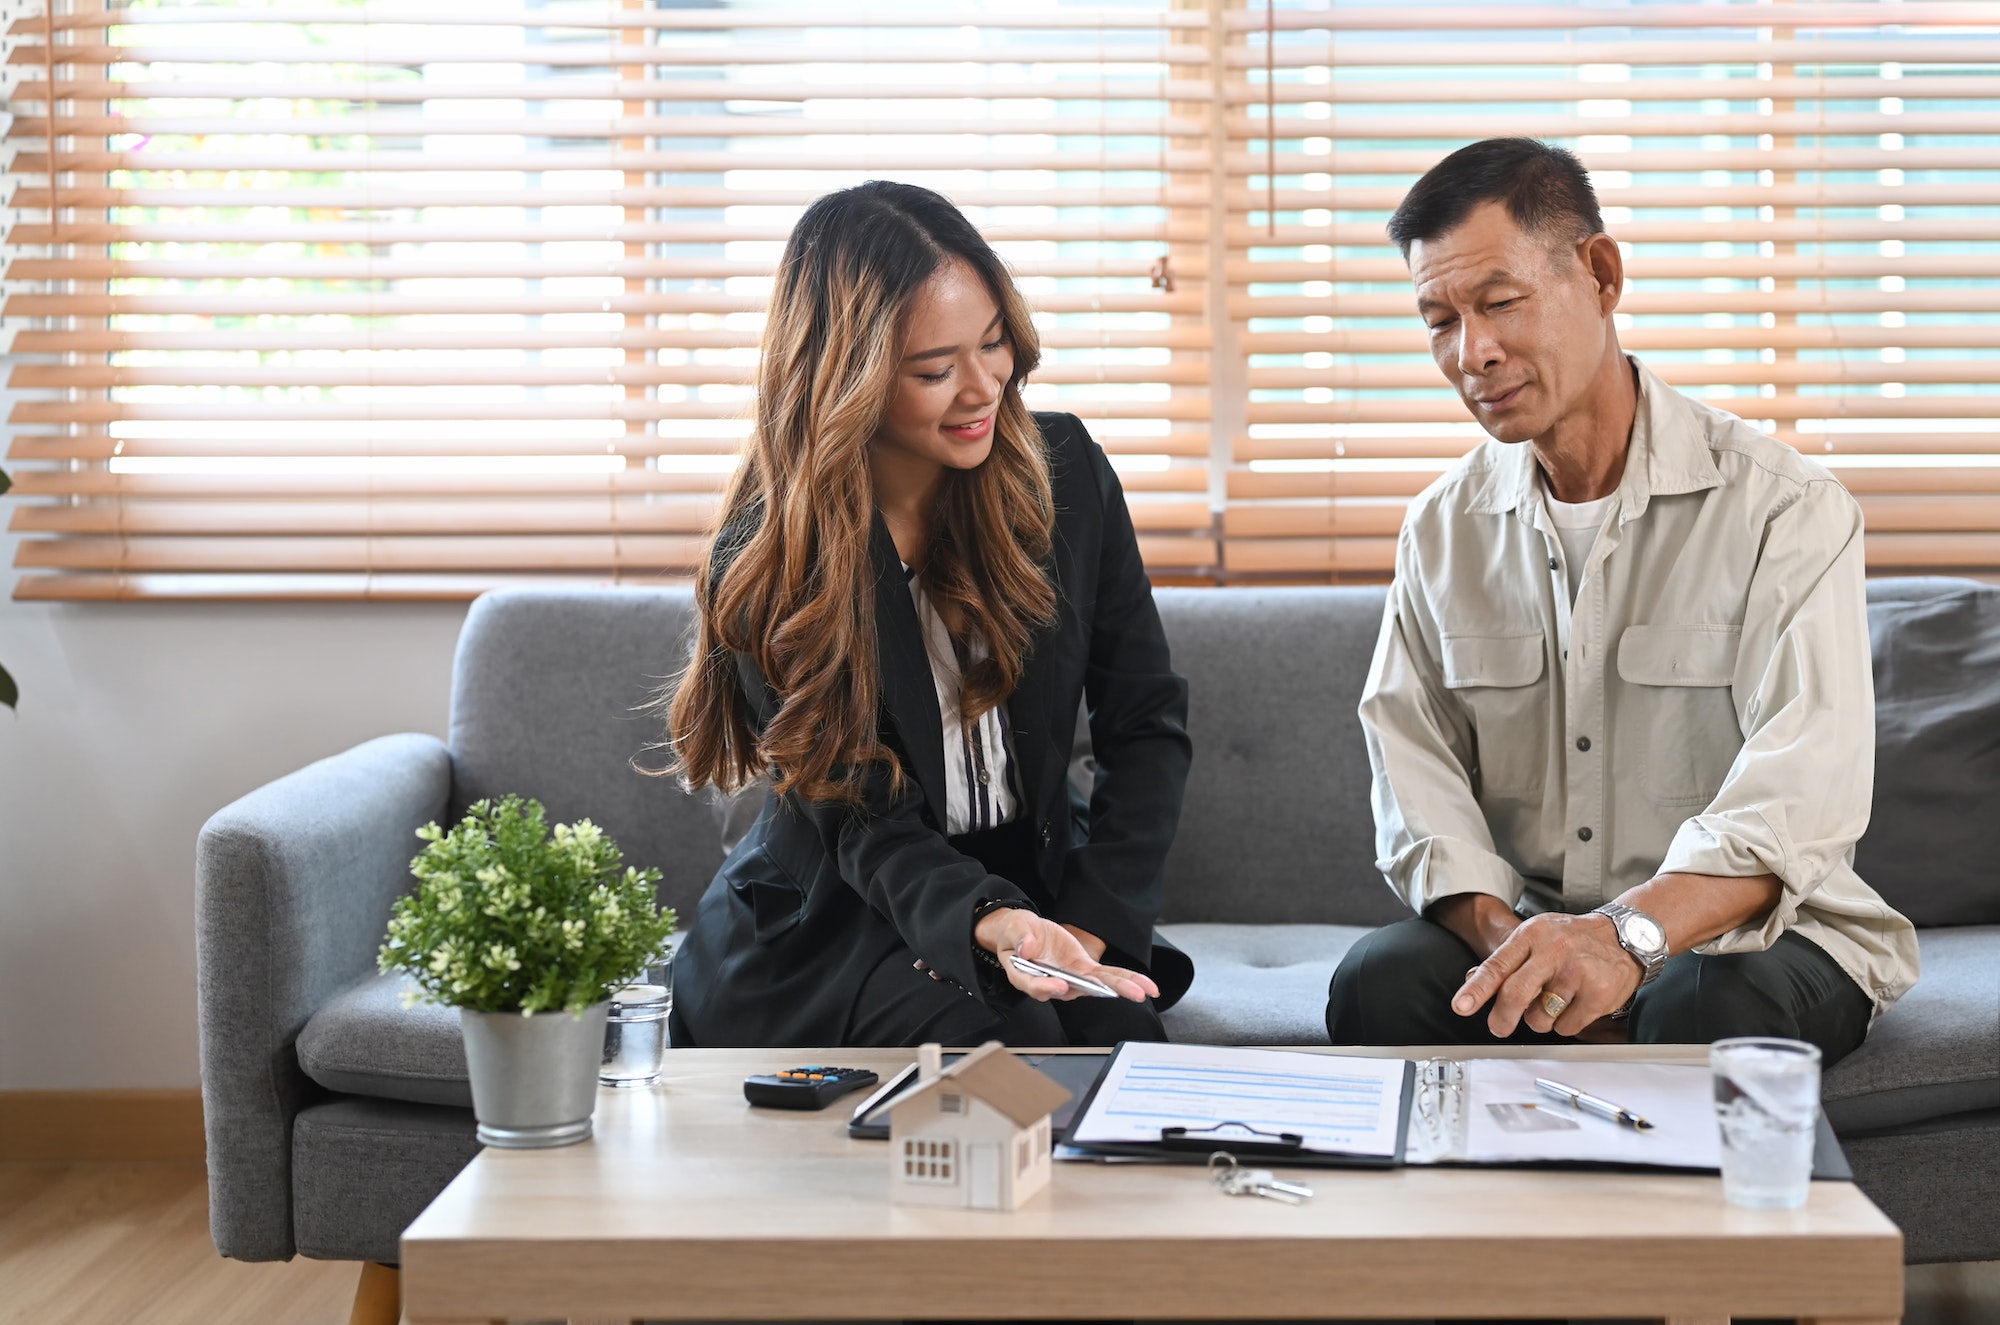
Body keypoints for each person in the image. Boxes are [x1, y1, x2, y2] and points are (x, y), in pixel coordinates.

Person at [1325, 139, 1919, 1062]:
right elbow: (1418, 781)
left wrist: (1624, 943)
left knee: (1694, 1009)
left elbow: (1802, 790)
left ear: (1600, 274)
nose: (1470, 352)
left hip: (1756, 939)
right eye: (1438, 318)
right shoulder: (1441, 529)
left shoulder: (1786, 507)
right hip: (1538, 928)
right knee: (1377, 984)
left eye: (1500, 302)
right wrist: (1530, 959)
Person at [665, 180, 1194, 1049]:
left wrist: (1087, 929)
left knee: (1119, 1044)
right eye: (934, 370)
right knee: (1007, 1049)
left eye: (994, 343)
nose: (983, 387)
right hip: (846, 911)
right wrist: (996, 929)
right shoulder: (770, 551)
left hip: (1039, 889)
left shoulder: (1066, 474)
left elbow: (1147, 723)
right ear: (848, 377)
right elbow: (864, 821)